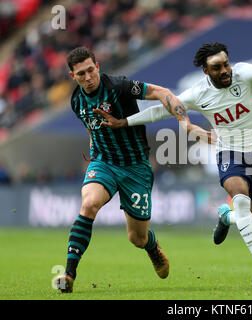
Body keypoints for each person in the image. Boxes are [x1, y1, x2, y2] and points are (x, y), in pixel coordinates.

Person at [95, 42, 252, 285]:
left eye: (226, 64)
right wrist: (124, 122)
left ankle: (226, 217)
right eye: (217, 67)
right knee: (240, 199)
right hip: (229, 151)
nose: (225, 71)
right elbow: (161, 110)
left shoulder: (244, 73)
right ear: (206, 71)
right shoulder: (198, 94)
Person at [54, 46, 211, 293]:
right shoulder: (76, 100)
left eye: (90, 70)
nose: (87, 77)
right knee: (89, 205)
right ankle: (69, 273)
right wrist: (95, 150)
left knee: (136, 237)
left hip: (136, 167)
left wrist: (186, 123)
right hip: (104, 162)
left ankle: (152, 247)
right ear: (73, 76)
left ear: (98, 67)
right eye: (81, 74)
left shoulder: (119, 87)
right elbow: (91, 128)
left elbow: (162, 92)